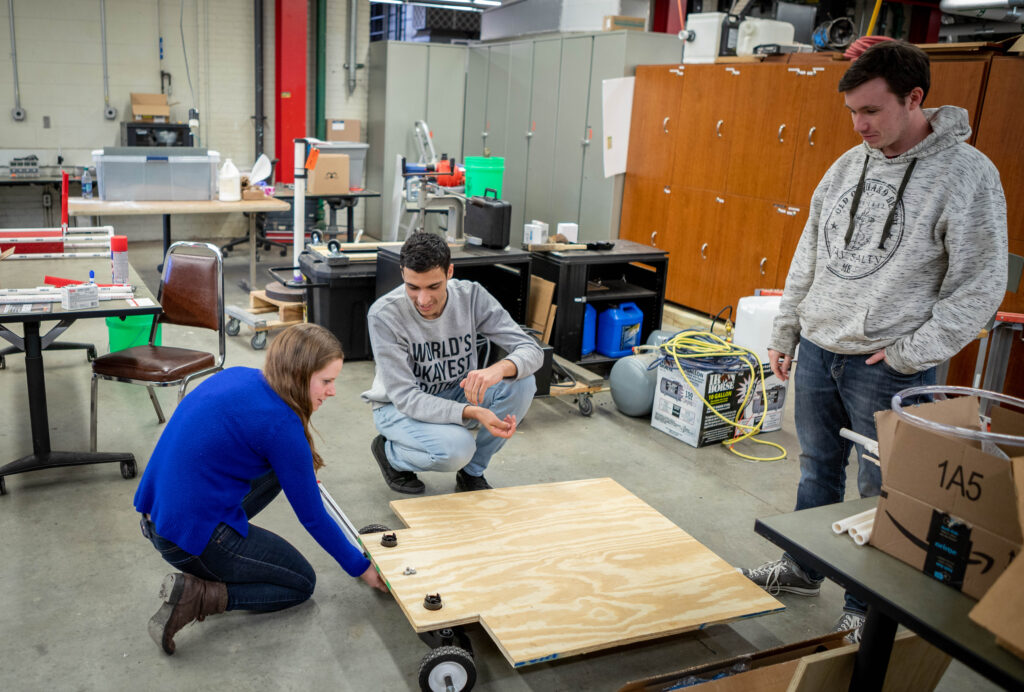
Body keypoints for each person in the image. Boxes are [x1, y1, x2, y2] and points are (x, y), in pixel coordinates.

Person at [741, 41, 1008, 641]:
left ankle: (865, 605)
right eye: (852, 113)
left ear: (915, 99)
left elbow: (980, 283)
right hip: (819, 349)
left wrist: (913, 352)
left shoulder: (968, 175)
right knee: (816, 470)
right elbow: (809, 252)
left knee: (881, 488)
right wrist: (788, 329)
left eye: (872, 111)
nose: (860, 125)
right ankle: (804, 568)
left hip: (889, 365)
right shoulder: (846, 165)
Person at [134, 323, 387, 655]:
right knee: (299, 583)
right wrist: (361, 567)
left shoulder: (240, 375)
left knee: (279, 471)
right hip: (186, 539)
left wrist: (300, 476)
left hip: (159, 515)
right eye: (326, 381)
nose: (332, 391)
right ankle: (201, 596)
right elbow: (313, 518)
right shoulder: (281, 426)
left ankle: (225, 535)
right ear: (298, 374)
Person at [362, 232, 543, 494]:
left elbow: (531, 350)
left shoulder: (471, 296)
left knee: (522, 382)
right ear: (402, 273)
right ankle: (391, 453)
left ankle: (472, 473)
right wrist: (471, 412)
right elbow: (407, 398)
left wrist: (498, 369)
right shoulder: (384, 314)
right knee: (457, 450)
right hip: (397, 407)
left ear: (450, 272)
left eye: (433, 286)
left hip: (455, 391)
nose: (423, 300)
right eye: (413, 287)